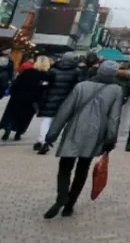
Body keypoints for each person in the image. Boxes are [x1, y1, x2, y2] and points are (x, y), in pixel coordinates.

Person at [43, 60, 123, 219]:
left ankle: (61, 197)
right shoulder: (116, 90)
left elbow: (65, 111)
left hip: (74, 129)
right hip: (95, 133)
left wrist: (52, 133)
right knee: (83, 168)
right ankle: (70, 204)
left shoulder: (81, 86)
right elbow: (114, 117)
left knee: (65, 166)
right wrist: (110, 138)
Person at [36, 54, 83, 154]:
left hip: (50, 98)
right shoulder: (76, 71)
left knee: (46, 120)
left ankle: (42, 140)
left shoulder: (53, 70)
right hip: (66, 99)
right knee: (58, 121)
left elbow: (45, 84)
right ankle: (49, 140)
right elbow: (78, 86)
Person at [0, 57, 51, 141]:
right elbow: (44, 90)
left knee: (12, 113)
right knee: (25, 117)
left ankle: (8, 127)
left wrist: (13, 92)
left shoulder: (27, 72)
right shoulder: (45, 76)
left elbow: (16, 83)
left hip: (18, 96)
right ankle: (18, 133)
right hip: (31, 99)